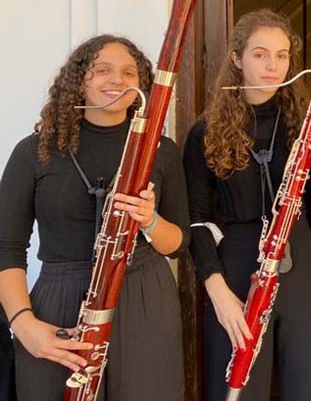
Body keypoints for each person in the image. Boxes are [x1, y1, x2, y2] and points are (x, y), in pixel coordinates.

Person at [0, 35, 189, 401]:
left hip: (144, 298)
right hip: (59, 302)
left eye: (128, 72)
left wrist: (150, 220)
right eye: (102, 70)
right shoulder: (33, 152)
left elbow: (180, 244)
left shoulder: (160, 151)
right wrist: (23, 324)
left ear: (142, 86)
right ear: (79, 81)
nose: (116, 80)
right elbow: (6, 248)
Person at [183, 9, 311, 401]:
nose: (273, 65)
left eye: (282, 55)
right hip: (235, 269)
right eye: (260, 54)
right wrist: (217, 292)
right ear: (236, 59)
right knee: (240, 388)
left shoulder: (303, 121)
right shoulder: (205, 130)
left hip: (298, 261)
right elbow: (196, 222)